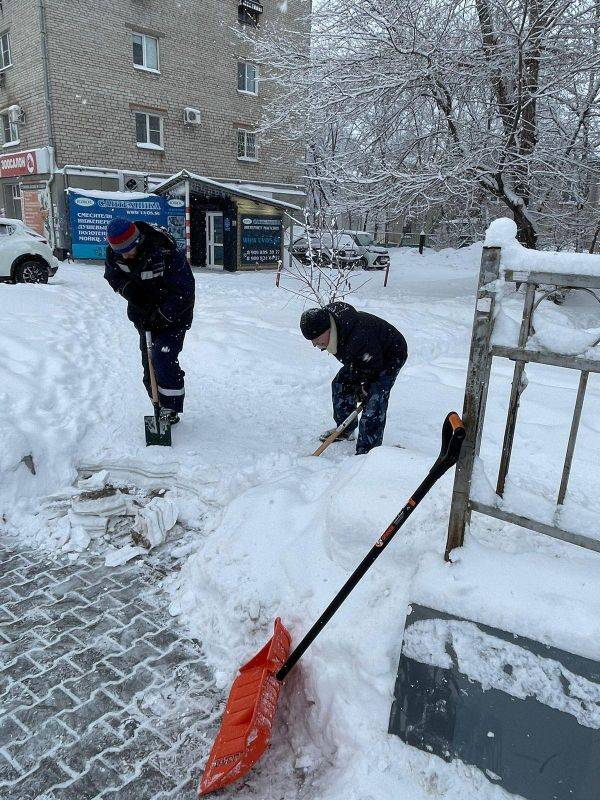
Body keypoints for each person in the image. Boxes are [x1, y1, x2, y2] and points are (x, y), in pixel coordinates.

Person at [104, 218, 195, 424]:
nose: (126, 255)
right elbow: (112, 275)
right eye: (121, 252)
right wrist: (129, 291)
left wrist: (162, 315)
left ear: (138, 240)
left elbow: (185, 291)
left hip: (174, 316)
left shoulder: (164, 251)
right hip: (143, 316)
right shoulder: (115, 253)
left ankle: (170, 408)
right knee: (150, 362)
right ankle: (158, 403)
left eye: (129, 249)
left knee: (163, 356)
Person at [300, 302, 407, 454]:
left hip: (390, 354)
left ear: (328, 329)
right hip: (364, 355)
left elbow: (374, 366)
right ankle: (345, 428)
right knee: (341, 383)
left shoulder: (356, 338)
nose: (314, 344)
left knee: (374, 401)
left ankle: (368, 452)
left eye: (316, 338)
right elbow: (357, 361)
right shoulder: (336, 331)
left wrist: (366, 387)